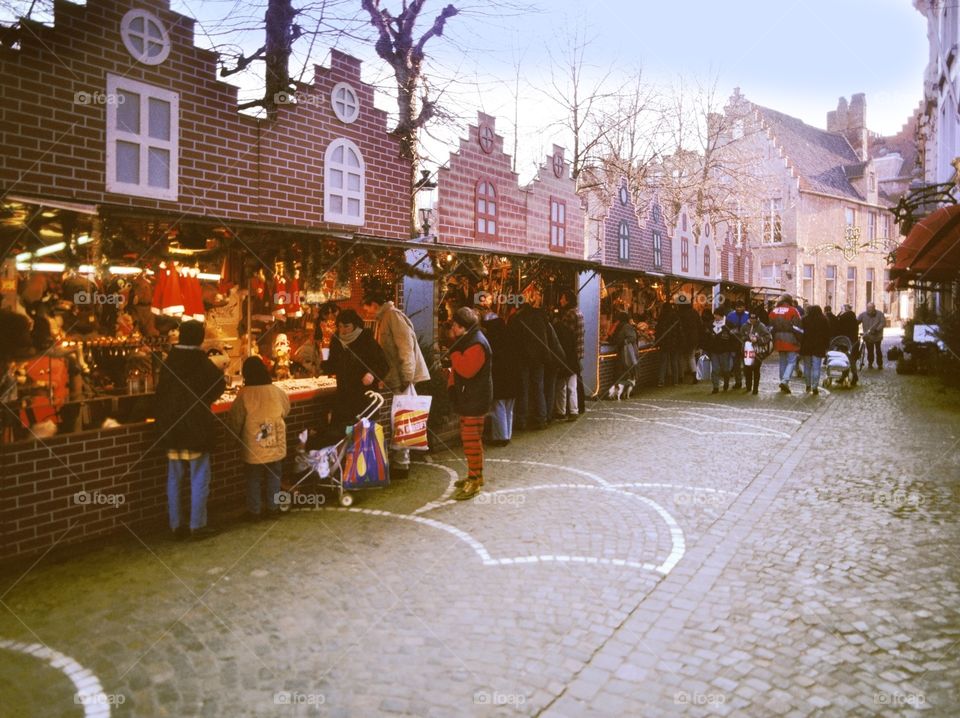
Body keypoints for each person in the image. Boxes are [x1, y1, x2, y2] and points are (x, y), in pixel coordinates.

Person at [155, 320, 226, 540]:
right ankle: (197, 525)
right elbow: (218, 385)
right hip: (196, 426)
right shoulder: (201, 362)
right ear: (200, 338)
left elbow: (160, 394)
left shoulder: (169, 361)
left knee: (174, 478)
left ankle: (176, 525)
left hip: (171, 427)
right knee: (199, 477)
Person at [361, 291, 430, 479]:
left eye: (366, 307)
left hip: (401, 379)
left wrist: (407, 377)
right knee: (400, 419)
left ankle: (402, 464)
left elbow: (405, 348)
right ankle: (401, 462)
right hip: (396, 378)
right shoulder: (385, 318)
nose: (365, 312)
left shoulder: (392, 316)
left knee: (402, 419)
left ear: (374, 303)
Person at [227, 357, 291, 520]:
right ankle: (273, 508)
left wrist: (232, 439)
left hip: (253, 443)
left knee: (253, 478)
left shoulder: (244, 394)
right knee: (274, 475)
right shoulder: (276, 391)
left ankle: (254, 511)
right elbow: (286, 410)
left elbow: (236, 419)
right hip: (275, 441)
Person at [446, 307, 493, 501]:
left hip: (475, 399)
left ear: (461, 327)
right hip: (472, 397)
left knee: (471, 439)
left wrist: (454, 354)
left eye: (454, 326)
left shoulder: (476, 344)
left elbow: (466, 370)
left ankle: (474, 481)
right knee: (471, 439)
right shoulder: (471, 340)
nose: (452, 330)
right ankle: (476, 475)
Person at [323, 309, 389, 430]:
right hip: (344, 394)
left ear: (355, 325)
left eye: (346, 326)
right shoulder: (336, 340)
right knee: (343, 430)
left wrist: (372, 374)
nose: (342, 330)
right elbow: (333, 364)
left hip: (364, 394)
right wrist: (320, 367)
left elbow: (383, 364)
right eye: (340, 326)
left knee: (362, 431)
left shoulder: (366, 339)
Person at [509, 291, 556, 430]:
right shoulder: (539, 316)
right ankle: (542, 418)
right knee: (538, 388)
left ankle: (522, 420)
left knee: (524, 389)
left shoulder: (517, 319)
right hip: (539, 358)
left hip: (524, 358)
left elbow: (514, 341)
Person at [480, 305, 520, 446]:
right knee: (508, 408)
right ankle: (507, 434)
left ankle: (500, 437)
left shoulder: (492, 340)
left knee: (499, 407)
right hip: (512, 378)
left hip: (500, 380)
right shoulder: (510, 335)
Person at [558, 290, 586, 414]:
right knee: (577, 380)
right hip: (579, 350)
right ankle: (579, 406)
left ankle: (568, 409)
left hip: (571, 352)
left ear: (567, 300)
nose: (560, 301)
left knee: (567, 384)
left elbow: (565, 335)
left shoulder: (569, 314)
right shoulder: (579, 312)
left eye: (562, 298)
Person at [768, 294, 803, 394]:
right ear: (790, 300)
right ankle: (785, 380)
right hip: (791, 338)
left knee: (782, 361)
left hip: (777, 339)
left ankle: (782, 381)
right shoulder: (793, 310)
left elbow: (770, 327)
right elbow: (798, 327)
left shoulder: (774, 311)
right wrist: (800, 339)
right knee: (791, 361)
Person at [553, 308, 580, 419]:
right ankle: (574, 411)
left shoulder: (556, 331)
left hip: (562, 362)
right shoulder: (571, 332)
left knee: (561, 387)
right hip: (572, 363)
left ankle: (561, 411)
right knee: (571, 387)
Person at [703, 308, 738, 394]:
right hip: (714, 351)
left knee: (726, 369)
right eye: (714, 315)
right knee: (715, 369)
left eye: (717, 315)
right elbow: (706, 338)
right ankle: (715, 387)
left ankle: (726, 382)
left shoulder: (729, 324)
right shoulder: (710, 324)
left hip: (725, 351)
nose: (715, 317)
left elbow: (734, 338)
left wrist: (733, 350)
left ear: (721, 316)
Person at [799, 305, 831, 396]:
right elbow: (827, 334)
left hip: (806, 346)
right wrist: (826, 346)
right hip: (819, 346)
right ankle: (815, 386)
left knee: (807, 367)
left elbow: (801, 333)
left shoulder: (804, 319)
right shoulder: (824, 320)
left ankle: (808, 385)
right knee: (816, 368)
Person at [738, 313, 772, 395]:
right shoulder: (744, 326)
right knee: (747, 369)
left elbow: (768, 337)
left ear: (757, 318)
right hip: (746, 352)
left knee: (756, 369)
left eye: (754, 318)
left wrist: (757, 339)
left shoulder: (761, 326)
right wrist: (747, 338)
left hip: (757, 352)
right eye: (751, 318)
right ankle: (748, 386)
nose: (752, 320)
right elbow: (740, 336)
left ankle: (755, 388)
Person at [607, 311, 638, 399]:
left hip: (625, 353)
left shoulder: (625, 327)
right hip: (622, 353)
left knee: (624, 372)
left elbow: (632, 337)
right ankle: (621, 392)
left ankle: (623, 392)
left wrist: (623, 342)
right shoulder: (622, 326)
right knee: (624, 372)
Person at [656, 301, 686, 387]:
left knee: (663, 362)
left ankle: (661, 381)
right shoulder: (675, 316)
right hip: (674, 342)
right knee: (674, 361)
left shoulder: (662, 317)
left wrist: (658, 341)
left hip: (664, 342)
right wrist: (681, 341)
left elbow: (658, 330)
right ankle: (675, 381)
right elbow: (680, 331)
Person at [725, 300, 751, 389]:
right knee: (736, 364)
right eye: (737, 307)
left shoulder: (749, 315)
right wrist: (730, 331)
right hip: (734, 343)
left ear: (744, 307)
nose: (739, 309)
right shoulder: (730, 315)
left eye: (740, 307)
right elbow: (726, 327)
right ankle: (738, 382)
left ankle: (748, 383)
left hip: (746, 344)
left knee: (747, 363)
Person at [679, 303, 703, 384]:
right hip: (694, 338)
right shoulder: (694, 312)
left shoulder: (681, 314)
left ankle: (681, 376)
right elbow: (700, 325)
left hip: (684, 338)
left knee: (683, 357)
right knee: (691, 357)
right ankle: (694, 375)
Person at [858, 302, 886, 369]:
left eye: (871, 308)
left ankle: (880, 364)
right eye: (868, 308)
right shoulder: (863, 314)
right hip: (868, 336)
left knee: (878, 350)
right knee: (870, 351)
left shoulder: (880, 314)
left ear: (874, 308)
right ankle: (870, 363)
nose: (869, 310)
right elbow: (857, 321)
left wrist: (877, 329)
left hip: (877, 336)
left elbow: (883, 323)